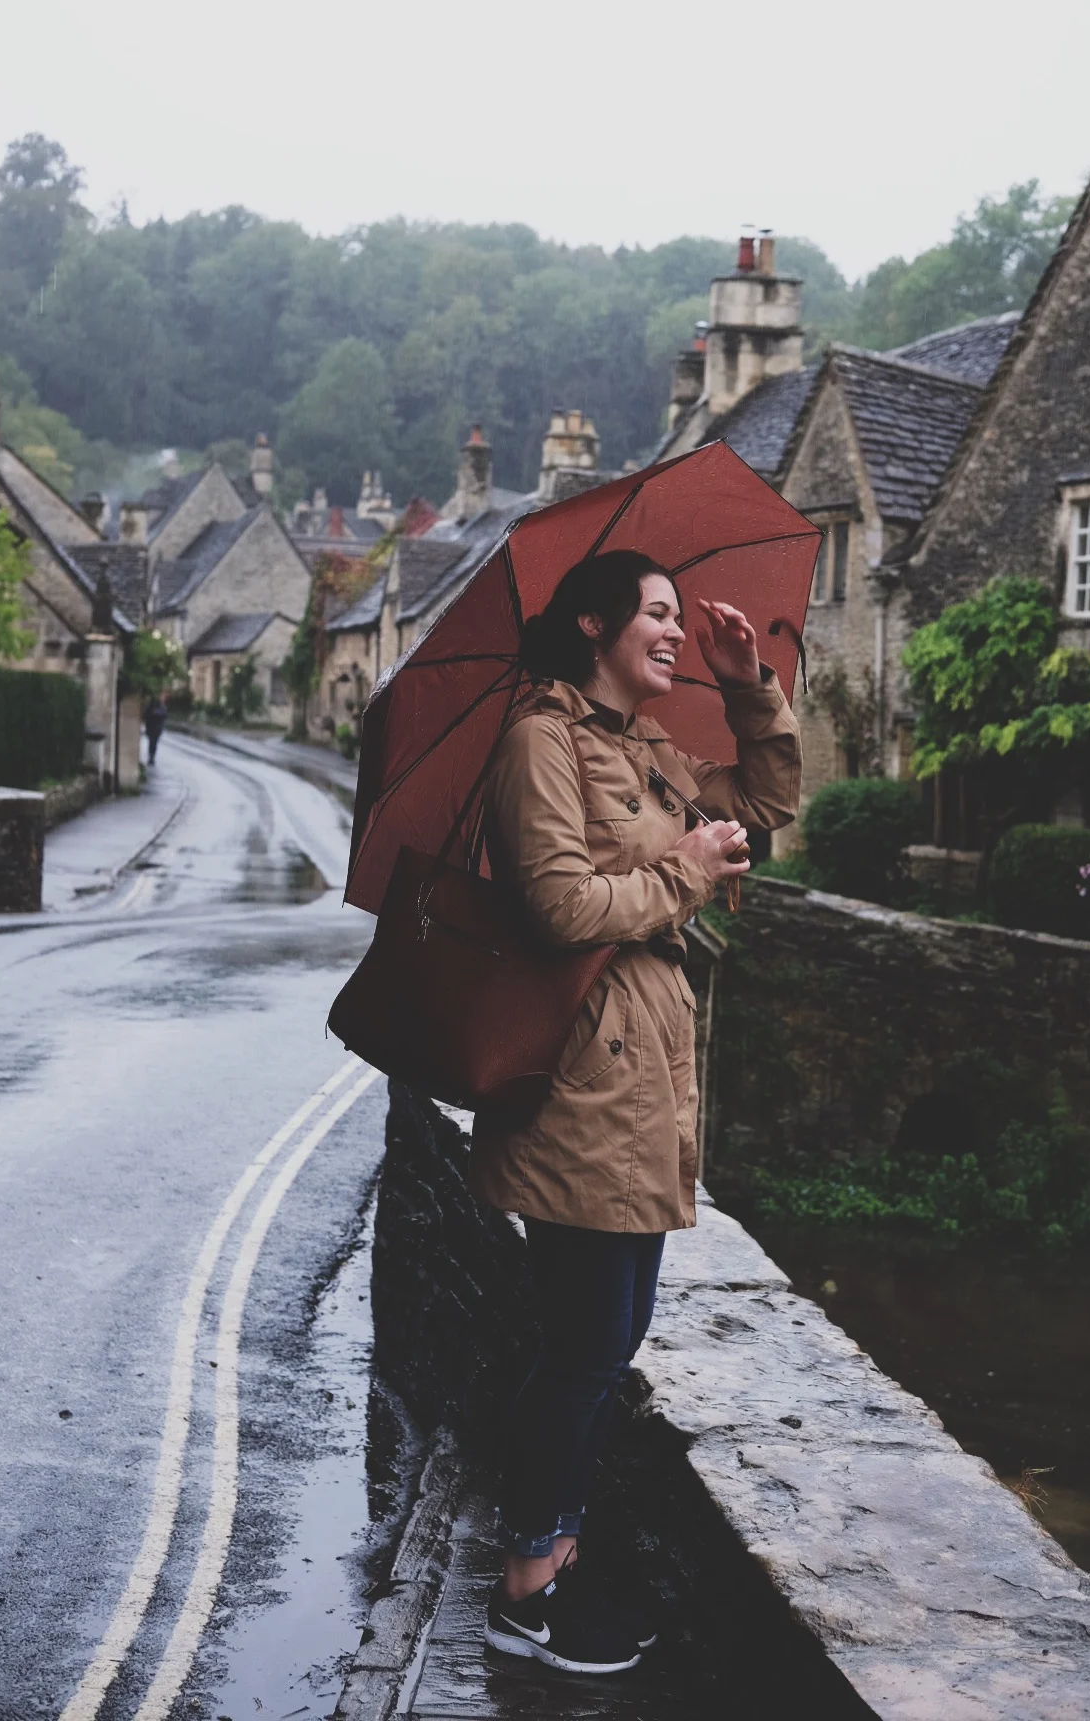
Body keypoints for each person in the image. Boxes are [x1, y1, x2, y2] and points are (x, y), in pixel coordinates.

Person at [468, 550, 801, 1674]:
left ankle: (553, 1557)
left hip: (642, 1084)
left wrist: (747, 682)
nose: (670, 630)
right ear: (591, 625)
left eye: (674, 616)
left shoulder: (645, 750)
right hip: (575, 1085)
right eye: (653, 615)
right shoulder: (540, 744)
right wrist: (687, 868)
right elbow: (559, 904)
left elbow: (763, 804)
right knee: (584, 1349)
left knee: (606, 1346)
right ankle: (524, 1587)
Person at [143, 696, 168, 765]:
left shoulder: (161, 707)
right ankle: (151, 756)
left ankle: (152, 756)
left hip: (156, 728)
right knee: (152, 743)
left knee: (153, 743)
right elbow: (146, 716)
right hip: (152, 728)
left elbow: (165, 715)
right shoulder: (151, 707)